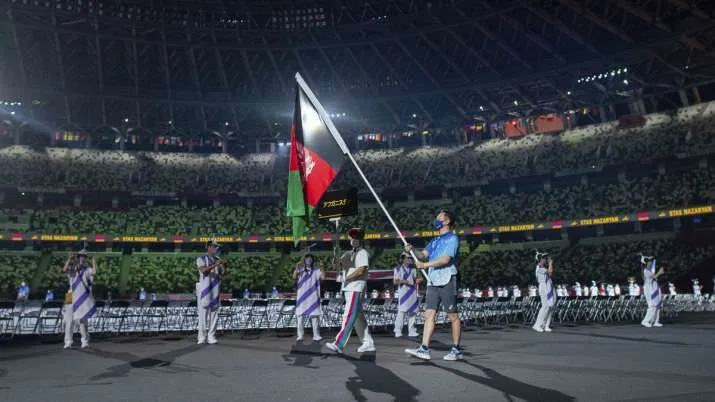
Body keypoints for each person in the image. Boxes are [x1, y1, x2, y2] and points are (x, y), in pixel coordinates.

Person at [404, 210, 463, 361]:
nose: (436, 219)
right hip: (433, 280)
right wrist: (412, 250)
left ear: (447, 221)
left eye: (439, 217)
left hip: (448, 278)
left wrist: (425, 265)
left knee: (453, 316)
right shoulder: (435, 240)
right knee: (429, 315)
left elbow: (445, 260)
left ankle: (456, 349)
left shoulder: (453, 239)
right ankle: (424, 348)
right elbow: (422, 254)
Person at [325, 228, 375, 354]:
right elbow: (335, 266)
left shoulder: (363, 253)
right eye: (352, 237)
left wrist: (346, 278)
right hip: (349, 288)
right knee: (358, 317)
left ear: (360, 240)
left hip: (356, 287)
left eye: (356, 238)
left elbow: (361, 270)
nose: (353, 240)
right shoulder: (347, 253)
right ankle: (368, 343)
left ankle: (339, 344)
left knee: (349, 315)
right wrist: (335, 256)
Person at [63, 249, 97, 349]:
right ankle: (68, 341)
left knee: (83, 320)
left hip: (82, 296)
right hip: (70, 295)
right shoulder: (72, 268)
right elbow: (64, 269)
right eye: (80, 256)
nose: (82, 258)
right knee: (69, 320)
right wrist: (69, 258)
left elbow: (94, 272)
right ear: (77, 258)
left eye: (84, 257)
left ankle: (85, 341)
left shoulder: (87, 269)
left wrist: (94, 261)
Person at [196, 240, 226, 345]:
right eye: (214, 246)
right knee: (203, 315)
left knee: (215, 314)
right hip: (205, 290)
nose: (216, 248)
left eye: (217, 247)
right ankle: (202, 337)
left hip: (216, 290)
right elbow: (204, 271)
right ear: (209, 247)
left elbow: (222, 272)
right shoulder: (201, 258)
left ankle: (211, 336)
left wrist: (222, 264)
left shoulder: (217, 259)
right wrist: (215, 265)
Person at [293, 253, 324, 342]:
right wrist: (296, 268)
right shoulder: (301, 270)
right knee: (300, 318)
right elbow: (294, 277)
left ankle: (316, 335)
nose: (308, 261)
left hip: (313, 297)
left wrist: (322, 269)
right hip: (302, 297)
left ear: (312, 261)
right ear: (304, 261)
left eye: (310, 259)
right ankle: (300, 336)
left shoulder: (316, 270)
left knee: (314, 317)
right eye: (307, 259)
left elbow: (323, 278)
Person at [393, 252, 421, 338]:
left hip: (412, 292)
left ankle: (411, 330)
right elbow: (395, 281)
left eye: (411, 258)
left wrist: (419, 280)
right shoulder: (398, 268)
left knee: (412, 312)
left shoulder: (413, 269)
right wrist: (405, 281)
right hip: (403, 293)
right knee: (401, 312)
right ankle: (397, 330)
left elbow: (416, 280)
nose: (411, 259)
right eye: (409, 258)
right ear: (403, 259)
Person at [532, 252, 555, 333]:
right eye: (544, 258)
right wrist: (551, 263)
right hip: (543, 286)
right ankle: (537, 325)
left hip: (549, 286)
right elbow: (550, 272)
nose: (546, 259)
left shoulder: (543, 267)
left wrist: (550, 264)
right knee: (545, 306)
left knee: (551, 306)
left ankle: (545, 325)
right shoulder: (539, 267)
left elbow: (550, 274)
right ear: (540, 259)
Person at [641, 256, 664, 328]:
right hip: (649, 291)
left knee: (658, 306)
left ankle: (655, 321)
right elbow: (654, 277)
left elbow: (654, 278)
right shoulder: (646, 271)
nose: (651, 263)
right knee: (652, 306)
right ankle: (645, 321)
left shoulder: (650, 271)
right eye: (649, 262)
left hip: (654, 289)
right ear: (646, 263)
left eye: (651, 262)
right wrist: (660, 272)